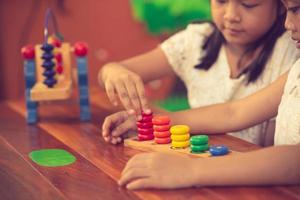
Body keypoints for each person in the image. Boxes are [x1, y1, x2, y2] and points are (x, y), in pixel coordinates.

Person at [116, 0, 300, 189]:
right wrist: (152, 124)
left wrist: (191, 170)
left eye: (295, 9)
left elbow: (294, 161)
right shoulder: (297, 71)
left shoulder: (288, 53)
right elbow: (233, 113)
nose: (287, 24)